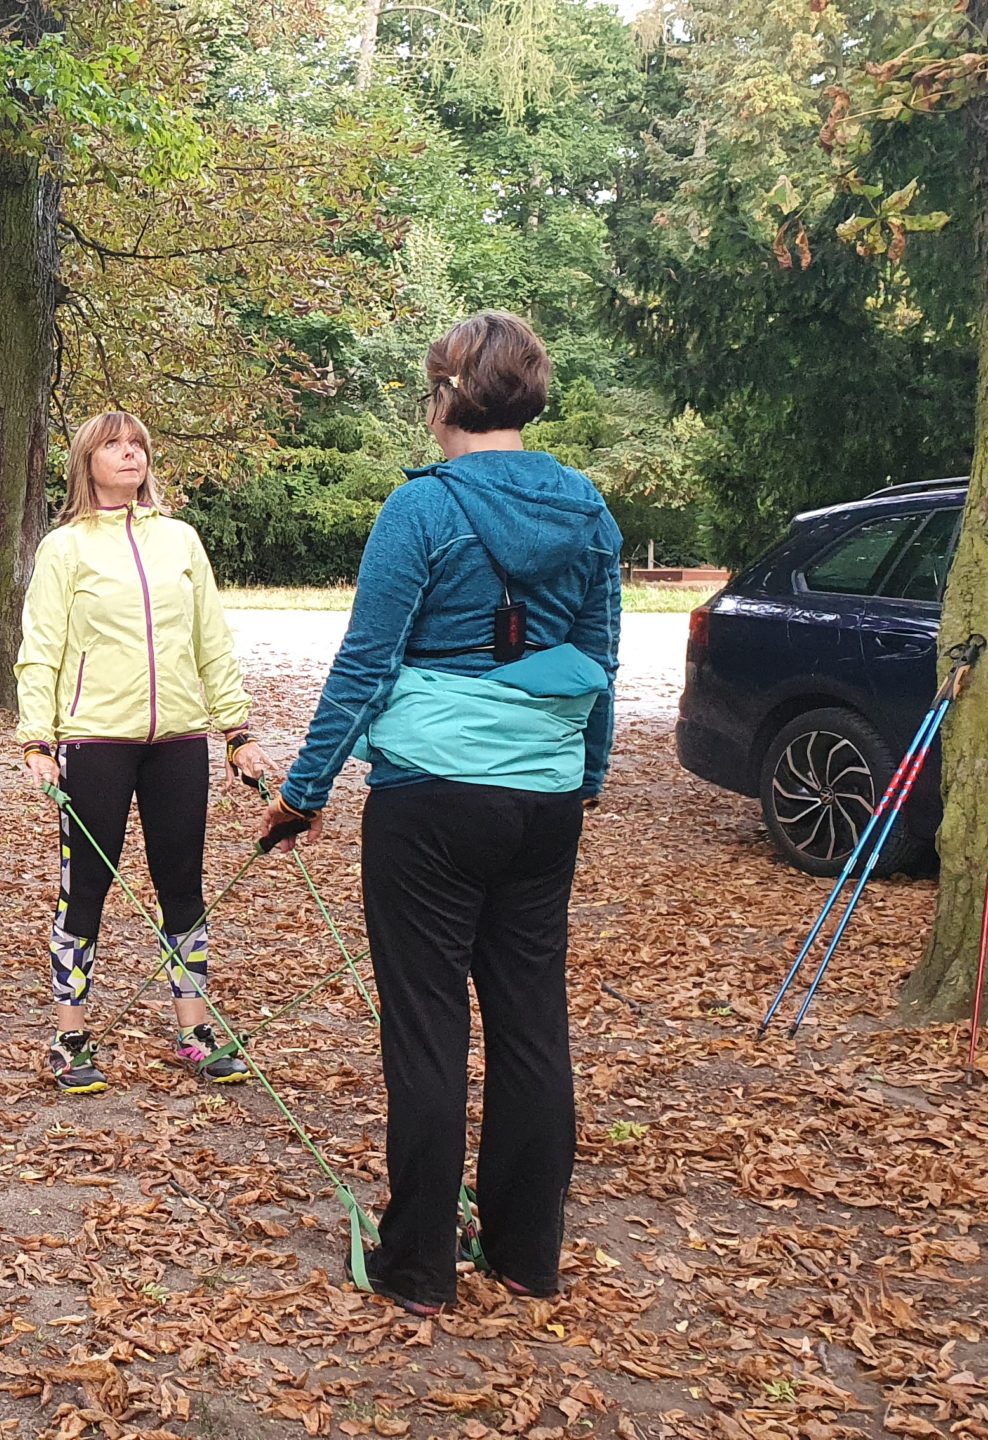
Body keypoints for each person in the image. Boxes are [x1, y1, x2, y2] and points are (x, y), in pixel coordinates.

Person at [258, 312, 621, 1315]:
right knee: (530, 1024)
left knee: (425, 1030)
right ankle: (524, 1254)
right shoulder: (588, 509)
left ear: (443, 398)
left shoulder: (418, 510)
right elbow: (600, 655)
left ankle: (417, 1266)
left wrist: (303, 791)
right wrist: (583, 776)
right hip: (543, 802)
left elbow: (365, 662)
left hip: (430, 800)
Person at [15, 410, 277, 1094]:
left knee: (183, 887)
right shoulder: (65, 548)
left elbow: (210, 640)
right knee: (86, 893)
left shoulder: (181, 541)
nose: (130, 455)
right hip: (95, 740)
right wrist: (37, 739)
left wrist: (236, 731)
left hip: (179, 741)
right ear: (87, 461)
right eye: (114, 445)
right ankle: (70, 1038)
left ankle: (196, 1032)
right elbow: (41, 649)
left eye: (138, 446)